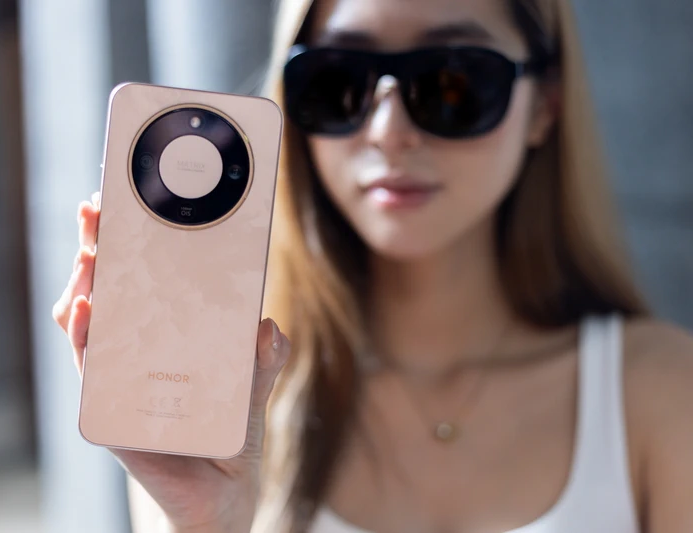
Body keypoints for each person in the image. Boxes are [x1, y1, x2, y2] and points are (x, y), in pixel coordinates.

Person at [52, 0, 693, 531]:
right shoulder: (225, 400)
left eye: (451, 82)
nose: (388, 131)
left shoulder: (659, 389)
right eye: (337, 82)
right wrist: (204, 523)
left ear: (545, 106)